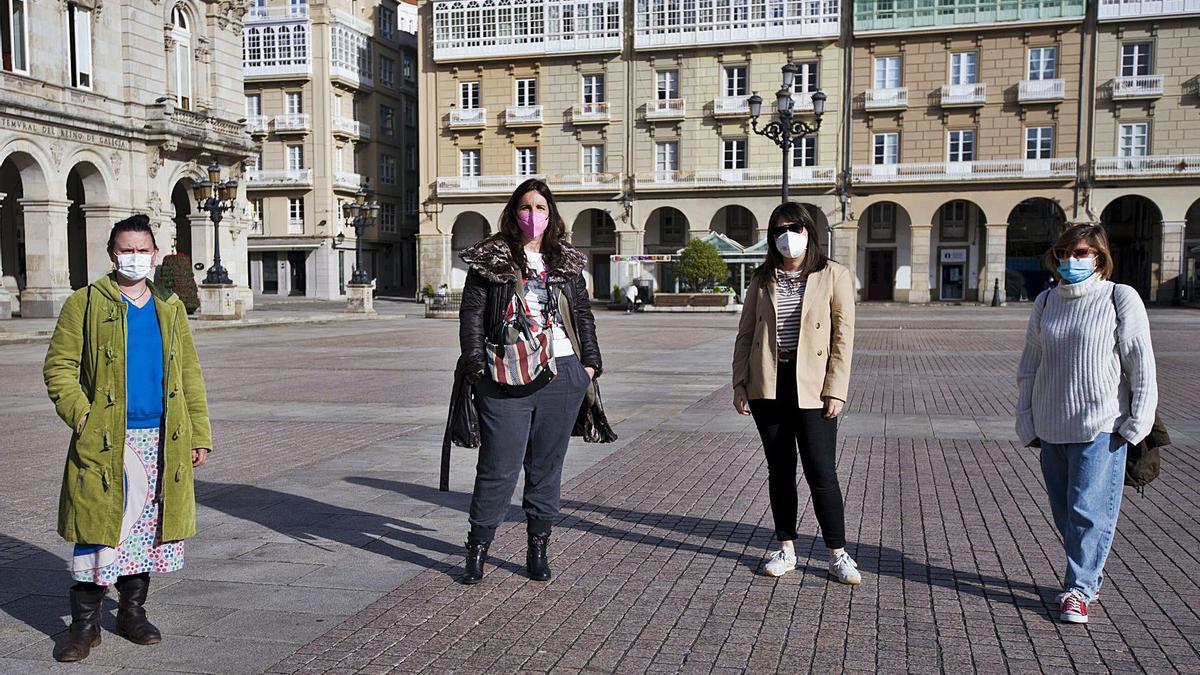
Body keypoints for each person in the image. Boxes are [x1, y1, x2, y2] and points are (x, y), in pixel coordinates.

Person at [43, 214, 212, 662]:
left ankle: (132, 613)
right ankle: (84, 627)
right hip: (105, 439)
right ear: (112, 254)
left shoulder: (169, 306)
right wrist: (84, 418)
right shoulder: (85, 303)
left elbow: (188, 375)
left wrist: (198, 433)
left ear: (155, 255)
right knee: (98, 529)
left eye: (142, 250)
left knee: (148, 530)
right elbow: (59, 368)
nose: (134, 257)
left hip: (162, 437)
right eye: (126, 250)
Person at [456, 178, 605, 584]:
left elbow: (583, 316)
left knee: (546, 467)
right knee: (498, 467)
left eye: (541, 208)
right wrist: (476, 368)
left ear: (551, 214)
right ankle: (478, 547)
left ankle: (537, 547)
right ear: (513, 211)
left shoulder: (567, 261)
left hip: (562, 374)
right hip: (504, 375)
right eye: (525, 207)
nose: (533, 215)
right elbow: (471, 315)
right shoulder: (491, 257)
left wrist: (589, 365)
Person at [1016, 223, 1157, 625]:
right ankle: (1085, 572)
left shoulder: (1119, 297)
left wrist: (1137, 423)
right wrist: (1026, 420)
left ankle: (1080, 589)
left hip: (1101, 426)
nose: (1071, 261)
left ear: (1099, 256)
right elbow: (1030, 365)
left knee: (1087, 512)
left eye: (1080, 253)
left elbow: (1140, 363)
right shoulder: (1045, 301)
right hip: (1051, 424)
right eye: (1064, 253)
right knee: (1064, 512)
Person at [731, 202, 859, 584]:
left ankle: (838, 554)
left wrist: (835, 389)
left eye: (795, 227)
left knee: (822, 472)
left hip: (813, 386)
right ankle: (786, 548)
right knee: (780, 471)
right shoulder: (762, 277)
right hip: (767, 384)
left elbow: (843, 337)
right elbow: (746, 333)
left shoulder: (833, 274)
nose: (787, 236)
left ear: (808, 231)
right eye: (779, 230)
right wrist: (740, 383)